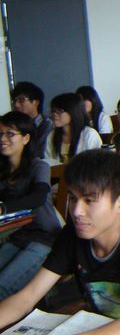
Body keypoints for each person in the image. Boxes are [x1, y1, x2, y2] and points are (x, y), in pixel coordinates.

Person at [0, 149, 120, 335]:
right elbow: (27, 297)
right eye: (73, 198)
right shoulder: (72, 235)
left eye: (89, 200)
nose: (77, 211)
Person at [0, 111, 61, 301]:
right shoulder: (2, 170)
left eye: (10, 134)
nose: (3, 139)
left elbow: (38, 197)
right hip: (17, 236)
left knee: (3, 286)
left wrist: (3, 208)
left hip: (44, 237)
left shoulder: (38, 166)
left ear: (26, 138)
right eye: (0, 134)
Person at [45, 93, 102, 164]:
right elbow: (48, 163)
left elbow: (95, 163)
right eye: (53, 111)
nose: (54, 114)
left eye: (60, 110)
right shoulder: (51, 136)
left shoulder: (89, 134)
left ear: (73, 111)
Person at [11, 82, 52, 158]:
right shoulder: (13, 125)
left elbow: (40, 154)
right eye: (14, 100)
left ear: (35, 102)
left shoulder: (47, 125)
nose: (16, 105)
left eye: (21, 100)